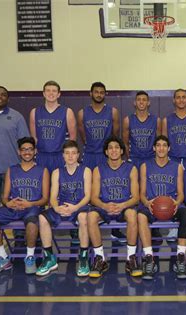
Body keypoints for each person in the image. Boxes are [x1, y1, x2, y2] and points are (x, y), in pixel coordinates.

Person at [0, 137, 49, 275]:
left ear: (35, 151)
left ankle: (30, 257)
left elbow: (45, 199)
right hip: (13, 208)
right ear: (19, 152)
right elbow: (5, 196)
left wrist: (30, 203)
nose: (27, 152)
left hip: (32, 207)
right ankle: (2, 257)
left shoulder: (42, 171)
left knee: (32, 222)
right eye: (24, 150)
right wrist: (7, 202)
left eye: (30, 149)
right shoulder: (11, 170)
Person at [36, 140, 92, 277]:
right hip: (62, 206)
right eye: (67, 153)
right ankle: (49, 258)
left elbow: (88, 196)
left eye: (73, 153)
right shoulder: (56, 172)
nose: (70, 156)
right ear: (63, 155)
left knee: (84, 217)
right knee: (42, 218)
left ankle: (84, 258)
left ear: (78, 155)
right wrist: (56, 207)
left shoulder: (86, 170)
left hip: (79, 206)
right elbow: (53, 196)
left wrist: (75, 207)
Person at [88, 136, 141, 278]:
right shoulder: (98, 169)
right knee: (91, 216)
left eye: (117, 147)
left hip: (124, 206)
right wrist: (104, 206)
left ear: (122, 151)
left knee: (132, 215)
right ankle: (100, 258)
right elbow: (93, 197)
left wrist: (122, 205)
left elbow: (136, 197)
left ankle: (131, 258)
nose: (114, 150)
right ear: (106, 152)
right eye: (110, 148)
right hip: (105, 206)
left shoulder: (131, 168)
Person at [138, 135, 186, 280]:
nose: (161, 148)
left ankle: (180, 258)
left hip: (170, 206)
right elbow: (141, 194)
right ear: (154, 148)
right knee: (140, 216)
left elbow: (181, 194)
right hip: (152, 206)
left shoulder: (177, 167)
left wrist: (176, 203)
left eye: (164, 145)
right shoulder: (145, 166)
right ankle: (149, 258)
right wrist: (147, 203)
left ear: (169, 149)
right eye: (158, 145)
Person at [78, 82, 123, 242]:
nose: (99, 94)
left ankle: (115, 228)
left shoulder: (113, 112)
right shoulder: (83, 113)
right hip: (90, 155)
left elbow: (115, 134)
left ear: (105, 94)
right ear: (91, 94)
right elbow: (82, 135)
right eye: (96, 92)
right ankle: (89, 225)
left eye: (101, 92)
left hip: (106, 155)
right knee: (90, 192)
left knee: (112, 188)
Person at [162, 88, 186, 206]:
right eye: (178, 97)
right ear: (174, 100)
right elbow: (164, 142)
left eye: (183, 97)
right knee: (174, 193)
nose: (181, 100)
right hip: (173, 160)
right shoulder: (166, 120)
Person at [29, 80, 77, 174]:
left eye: (54, 91)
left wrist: (68, 157)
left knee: (59, 186)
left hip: (59, 156)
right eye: (48, 90)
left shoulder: (67, 112)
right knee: (43, 187)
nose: (51, 93)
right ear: (43, 93)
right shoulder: (34, 112)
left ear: (59, 94)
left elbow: (73, 138)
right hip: (41, 156)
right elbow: (34, 138)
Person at [122, 91, 161, 171]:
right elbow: (125, 142)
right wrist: (129, 157)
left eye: (144, 100)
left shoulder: (156, 120)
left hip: (151, 158)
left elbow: (159, 143)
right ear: (135, 103)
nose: (141, 102)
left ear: (148, 103)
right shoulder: (127, 120)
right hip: (134, 159)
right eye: (139, 100)